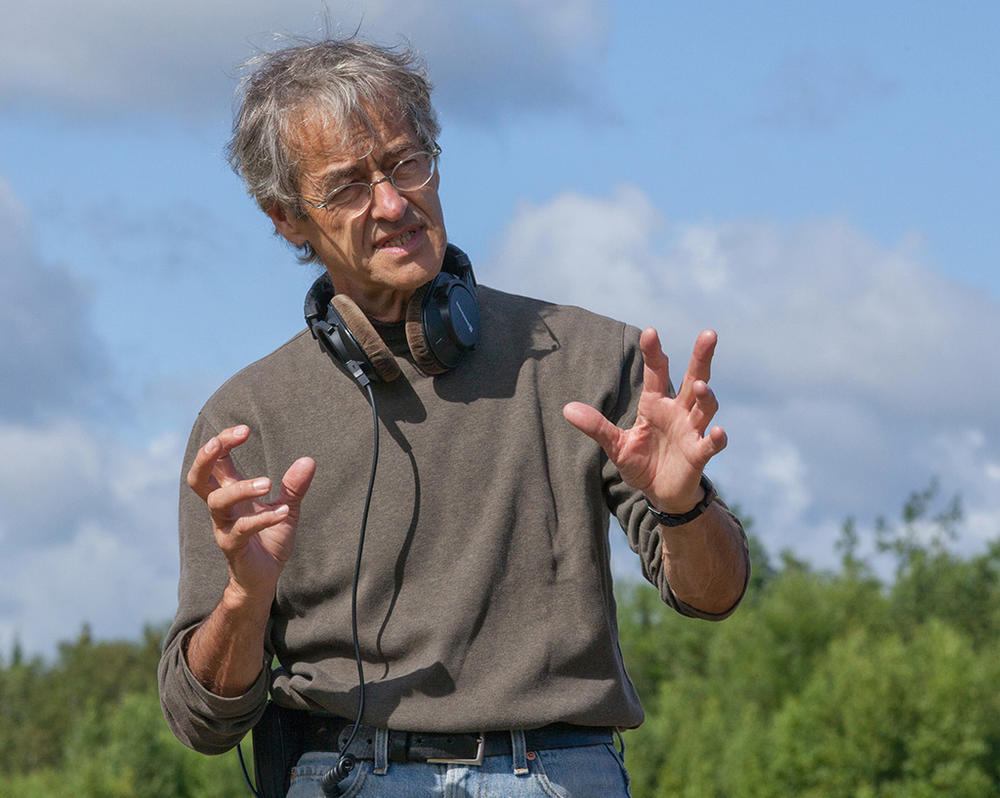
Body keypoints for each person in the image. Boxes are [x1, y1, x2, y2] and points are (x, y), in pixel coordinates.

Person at [158, 37, 750, 798]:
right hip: (343, 774)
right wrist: (246, 594)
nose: (394, 203)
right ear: (287, 221)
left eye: (407, 162)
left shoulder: (595, 356)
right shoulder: (243, 421)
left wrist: (684, 507)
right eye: (347, 187)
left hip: (559, 775)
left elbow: (715, 594)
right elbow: (201, 721)